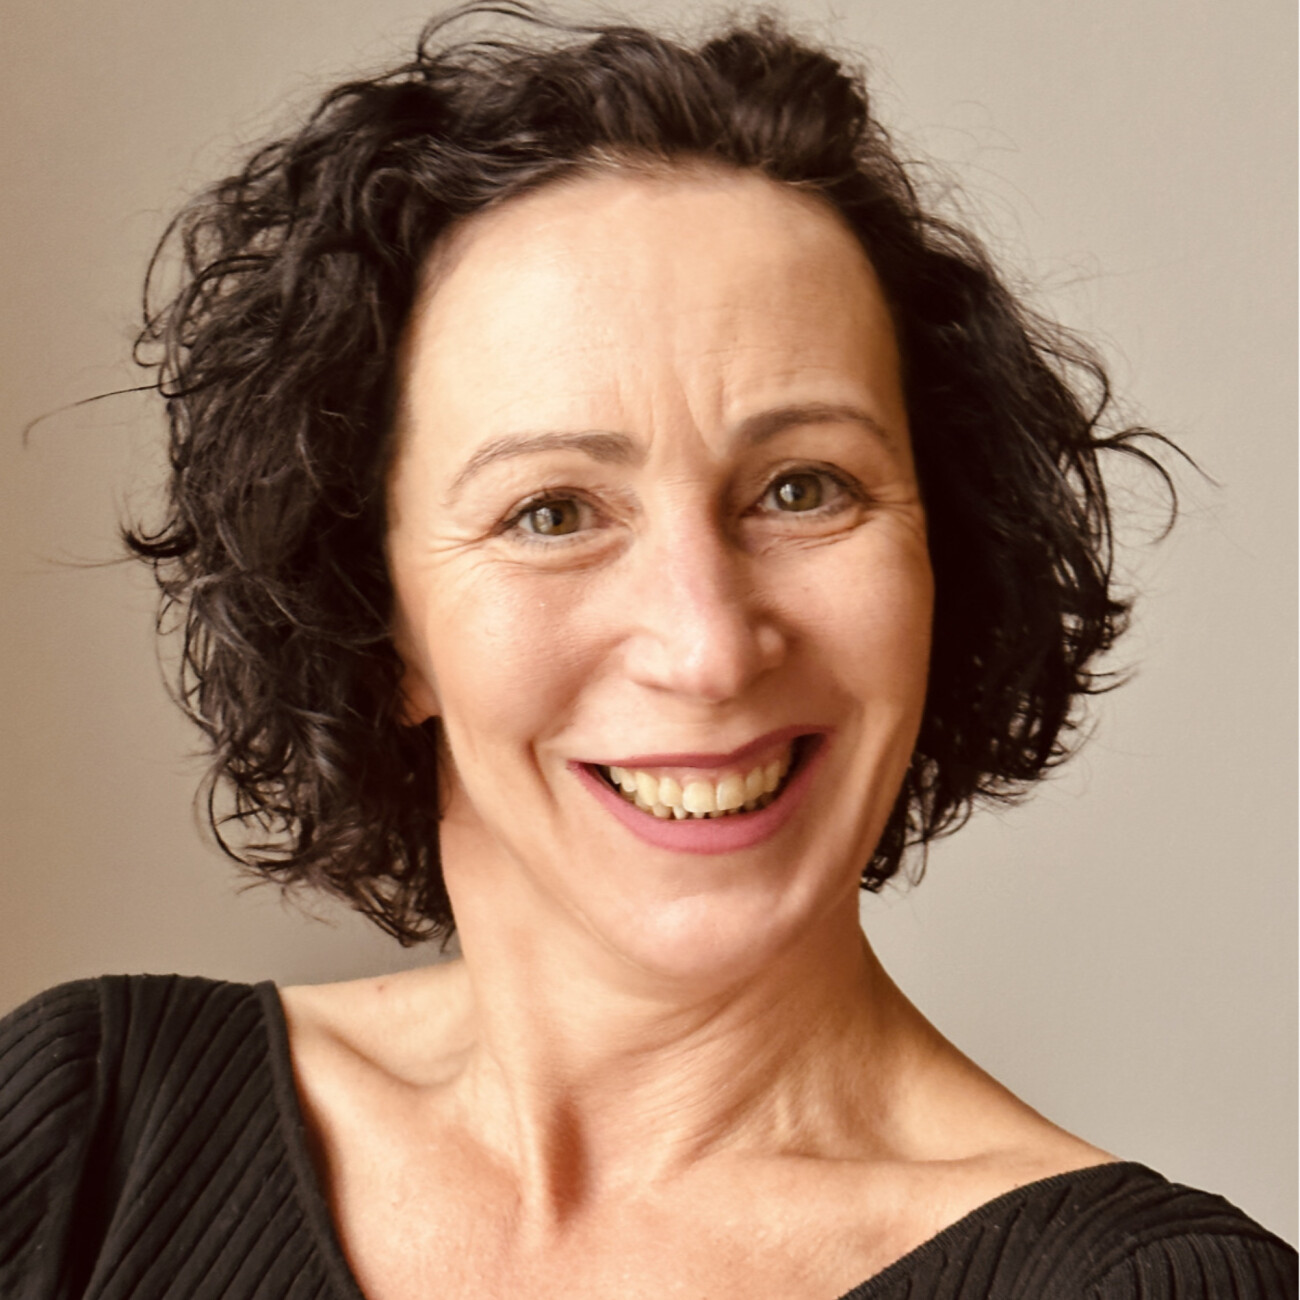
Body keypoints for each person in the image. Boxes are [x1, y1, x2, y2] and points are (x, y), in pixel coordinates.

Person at [0, 5, 1293, 1297]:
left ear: (942, 559)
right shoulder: (87, 1137)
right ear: (374, 616)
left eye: (802, 489)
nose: (707, 647)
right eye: (552, 512)